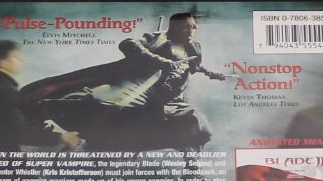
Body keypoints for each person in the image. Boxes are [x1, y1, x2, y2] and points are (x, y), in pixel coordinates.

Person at [26, 12, 225, 151]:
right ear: (174, 27)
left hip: (169, 99)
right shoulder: (158, 39)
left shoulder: (193, 48)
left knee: (195, 124)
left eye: (194, 27)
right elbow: (128, 44)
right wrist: (159, 60)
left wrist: (212, 73)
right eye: (186, 27)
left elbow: (195, 66)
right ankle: (47, 113)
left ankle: (191, 172)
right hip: (143, 88)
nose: (191, 31)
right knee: (103, 106)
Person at [0, 40, 82, 153]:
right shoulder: (2, 90)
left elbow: (0, 123)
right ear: (2, 62)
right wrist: (61, 138)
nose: (21, 62)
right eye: (17, 58)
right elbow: (16, 132)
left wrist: (33, 126)